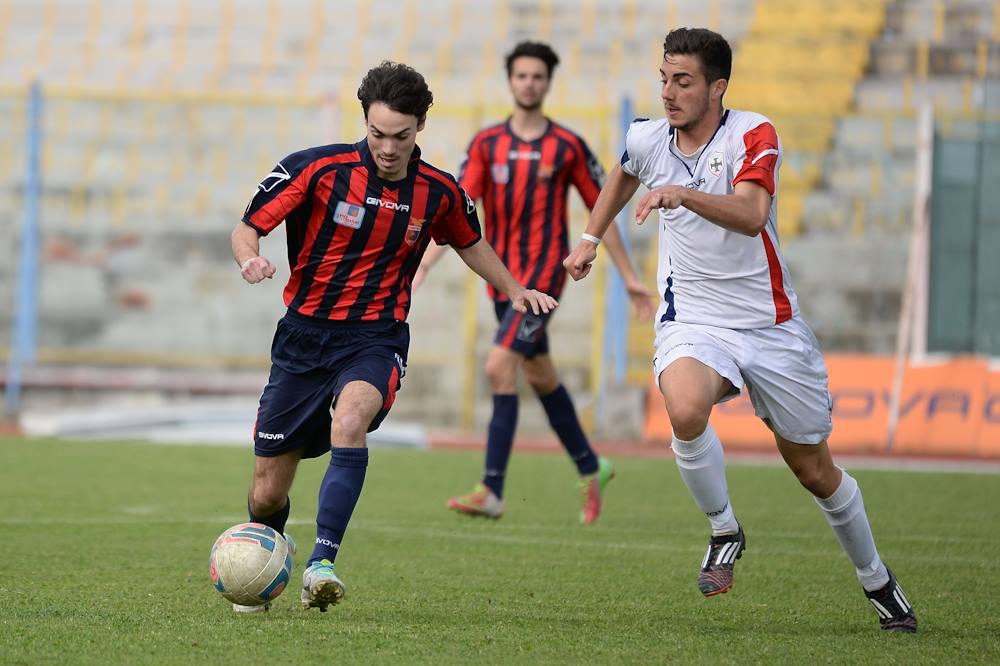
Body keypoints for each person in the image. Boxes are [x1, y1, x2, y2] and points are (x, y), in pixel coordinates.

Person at [563, 28, 917, 633]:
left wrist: (682, 195)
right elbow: (624, 172)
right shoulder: (648, 138)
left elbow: (753, 215)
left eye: (683, 81)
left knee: (815, 472)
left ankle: (877, 580)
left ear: (717, 88)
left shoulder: (753, 133)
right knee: (683, 406)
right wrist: (590, 238)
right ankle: (724, 528)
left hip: (770, 326)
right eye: (664, 79)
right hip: (694, 319)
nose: (669, 92)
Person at [231, 61, 557, 614]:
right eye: (377, 133)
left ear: (420, 126)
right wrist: (249, 259)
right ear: (365, 121)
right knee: (266, 493)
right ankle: (265, 557)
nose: (387, 147)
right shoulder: (316, 169)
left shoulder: (439, 192)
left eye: (400, 136)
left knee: (351, 420)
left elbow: (468, 241)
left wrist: (515, 289)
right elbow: (248, 228)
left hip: (375, 338)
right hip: (303, 339)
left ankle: (322, 563)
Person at [415, 41, 654, 525]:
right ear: (511, 81)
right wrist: (422, 266)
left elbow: (602, 210)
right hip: (501, 282)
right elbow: (456, 213)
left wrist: (629, 277)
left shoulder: (567, 146)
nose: (529, 83)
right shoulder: (486, 145)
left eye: (537, 76)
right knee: (540, 375)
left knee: (498, 366)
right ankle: (591, 465)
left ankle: (492, 489)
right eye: (522, 75)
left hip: (543, 280)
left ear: (547, 83)